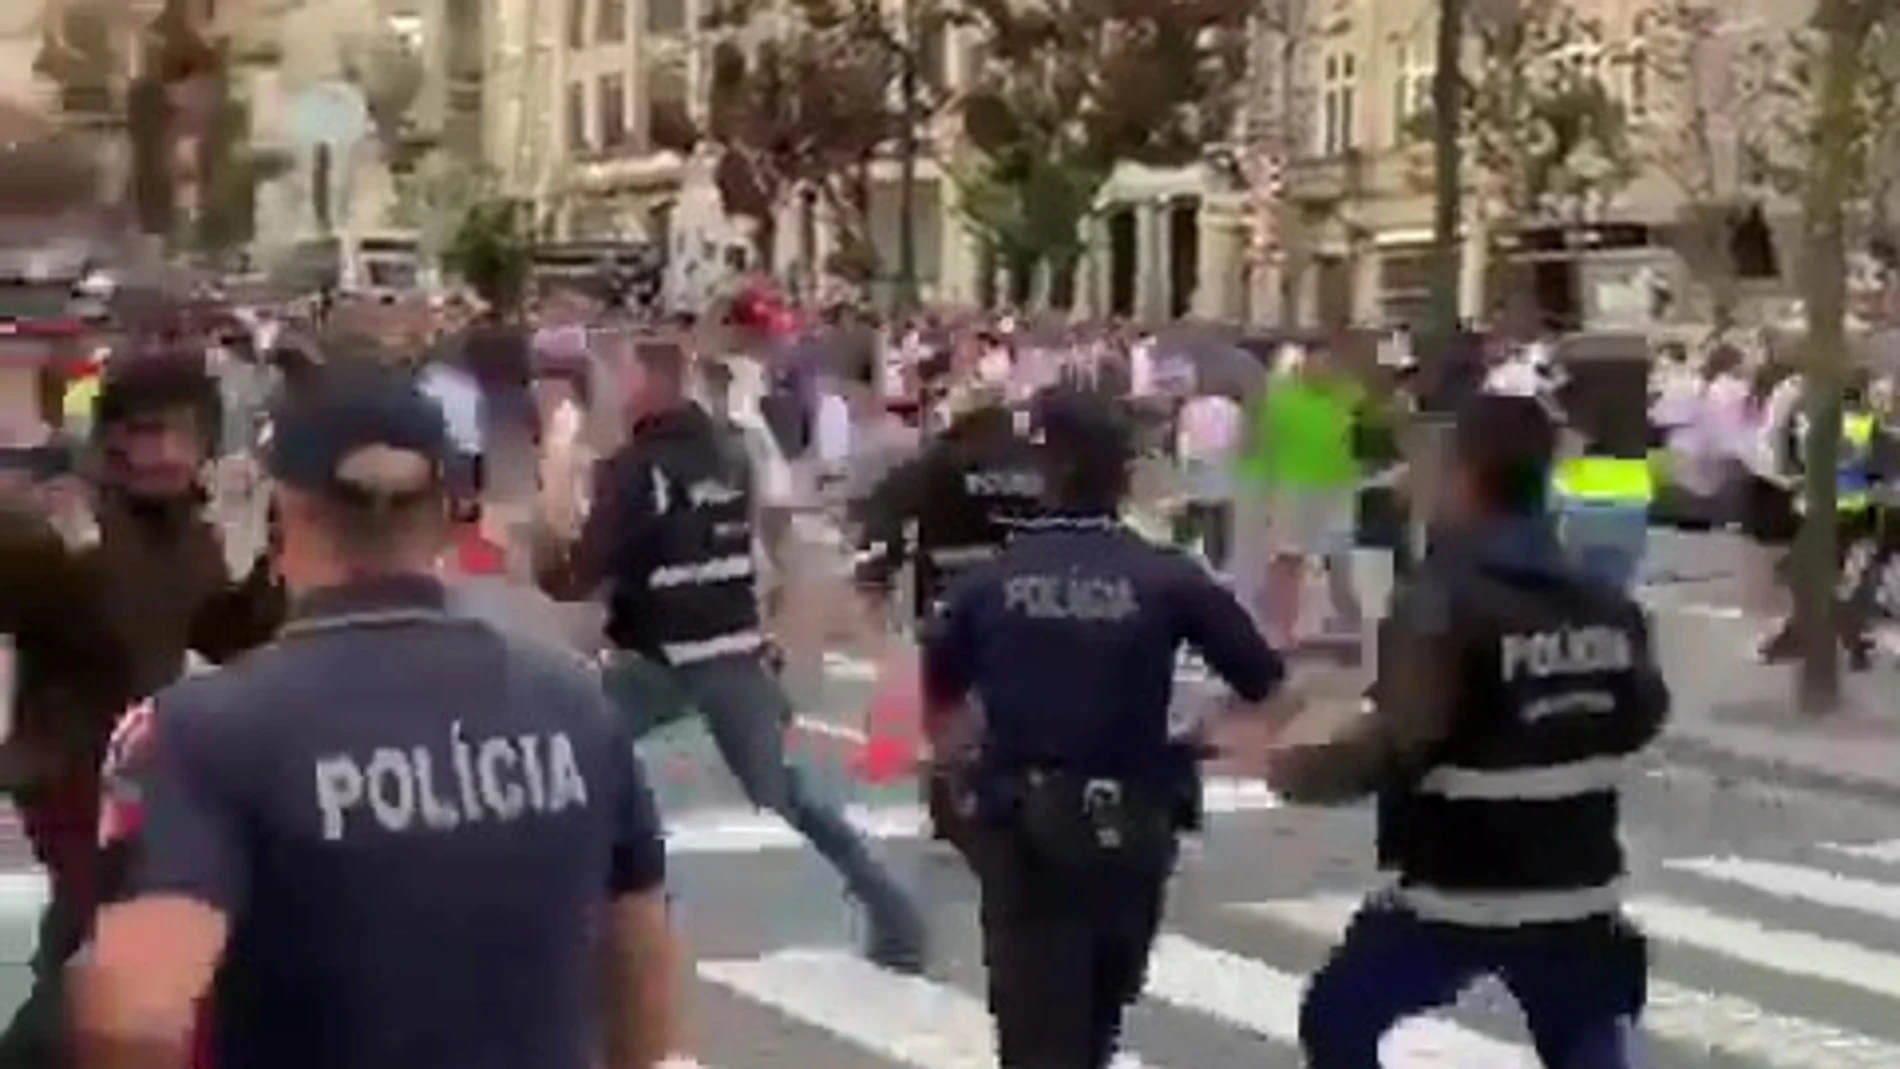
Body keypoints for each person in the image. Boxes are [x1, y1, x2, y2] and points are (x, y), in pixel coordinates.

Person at [72, 364, 687, 1069]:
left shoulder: (201, 728)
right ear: (448, 511)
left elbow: (136, 1019)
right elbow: (640, 951)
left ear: (282, 511)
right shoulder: (575, 702)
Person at [1268, 393, 1669, 1069]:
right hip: (1581, 890)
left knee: (1336, 1020)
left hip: (1457, 895)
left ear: (1469, 478)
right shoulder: (1608, 606)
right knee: (1587, 1038)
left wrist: (1297, 768)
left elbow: (1403, 742)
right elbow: (1640, 717)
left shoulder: (1439, 601)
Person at [921, 387, 1286, 1068]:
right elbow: (1267, 684)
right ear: (1124, 476)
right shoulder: (1169, 577)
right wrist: (1201, 732)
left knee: (1036, 1034)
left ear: (1046, 471)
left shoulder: (990, 581)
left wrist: (960, 789)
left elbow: (940, 703)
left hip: (1026, 829)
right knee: (1098, 1021)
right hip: (1136, 825)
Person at [536, 340, 928, 971]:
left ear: (651, 387)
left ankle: (559, 924)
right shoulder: (728, 450)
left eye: (623, 379)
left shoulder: (639, 468)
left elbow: (589, 568)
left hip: (661, 656)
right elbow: (750, 532)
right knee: (787, 795)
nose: (613, 393)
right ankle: (894, 915)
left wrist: (550, 539)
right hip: (729, 646)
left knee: (565, 769)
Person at [854, 383, 1044, 844]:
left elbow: (885, 515)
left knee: (946, 702)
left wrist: (877, 571)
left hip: (949, 595)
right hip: (1029, 596)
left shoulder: (937, 462)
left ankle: (948, 807)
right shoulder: (1040, 465)